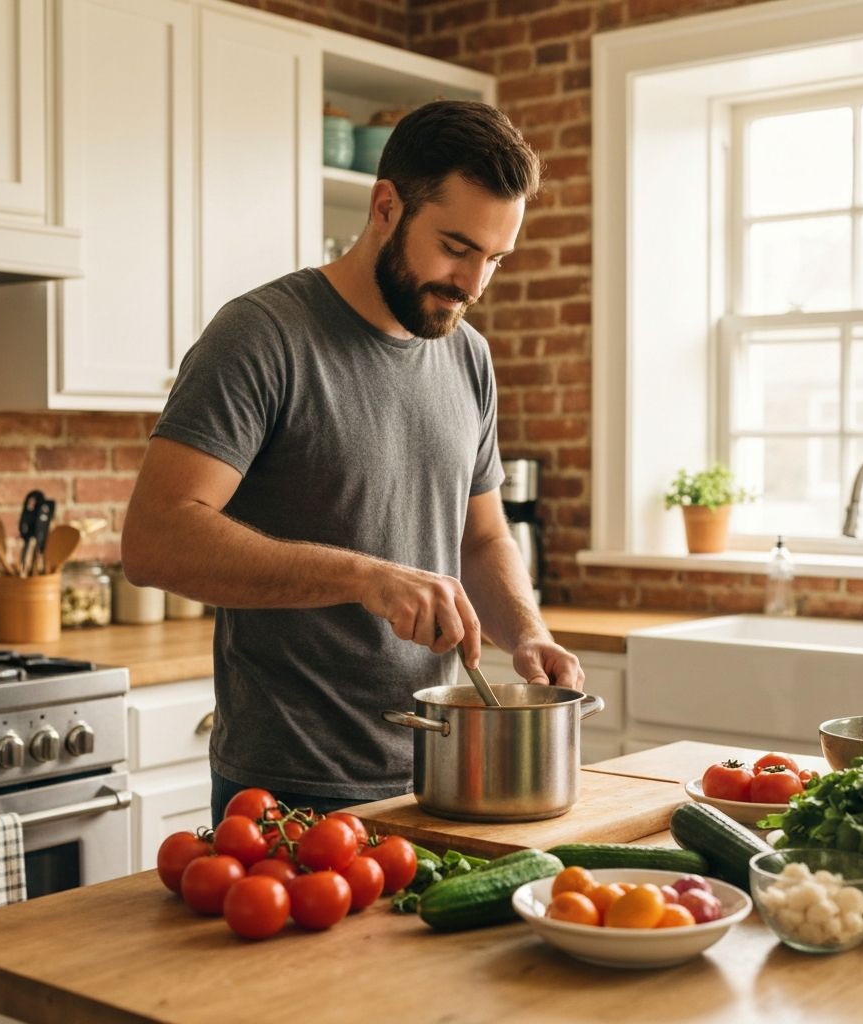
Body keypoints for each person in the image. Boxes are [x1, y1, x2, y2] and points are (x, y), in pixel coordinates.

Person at [120, 100, 584, 825]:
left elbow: (482, 537)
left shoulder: (468, 356)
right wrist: (365, 577)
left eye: (494, 259)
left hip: (437, 774)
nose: (472, 284)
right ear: (386, 206)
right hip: (290, 788)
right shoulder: (263, 335)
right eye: (456, 247)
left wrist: (528, 633)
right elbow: (154, 540)